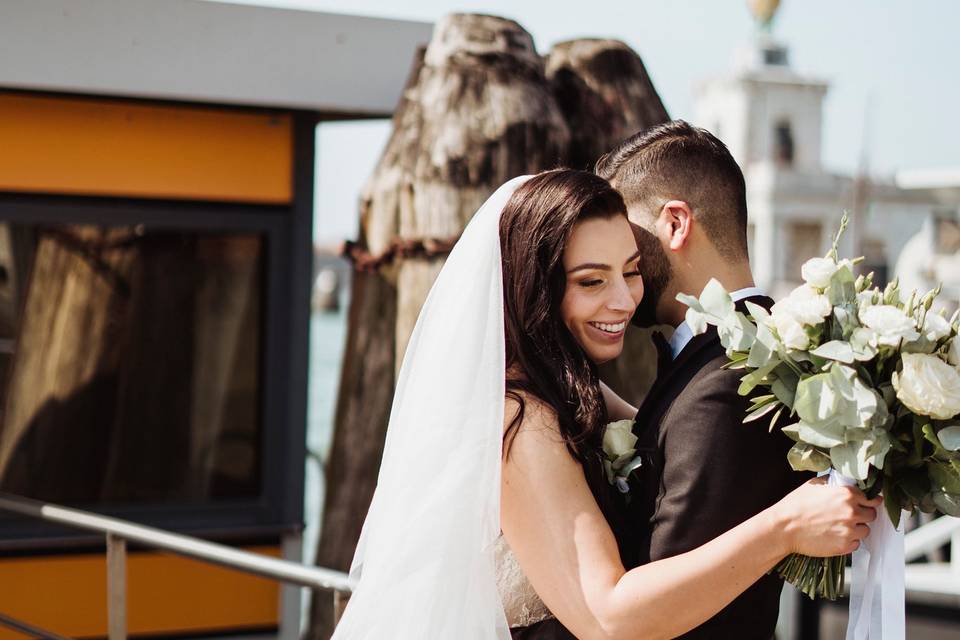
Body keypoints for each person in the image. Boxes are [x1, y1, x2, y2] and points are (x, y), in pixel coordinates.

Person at [331, 169, 879, 640]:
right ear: (535, 289)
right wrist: (784, 526)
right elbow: (607, 615)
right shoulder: (522, 423)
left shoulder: (565, 395)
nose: (623, 300)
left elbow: (659, 433)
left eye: (632, 270)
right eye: (592, 280)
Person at [582, 119, 818, 638]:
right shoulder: (730, 358)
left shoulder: (730, 382)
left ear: (674, 224)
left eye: (627, 234)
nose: (616, 256)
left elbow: (667, 605)